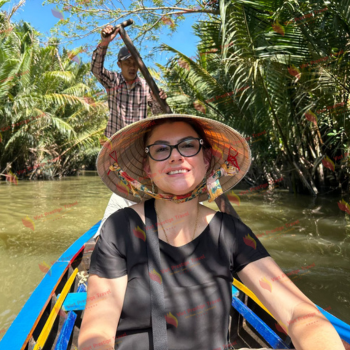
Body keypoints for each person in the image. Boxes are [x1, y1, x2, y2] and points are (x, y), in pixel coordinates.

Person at [78, 114, 346, 350]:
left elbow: (300, 313)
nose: (175, 155)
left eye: (188, 146)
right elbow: (97, 334)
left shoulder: (230, 233)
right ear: (147, 168)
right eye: (161, 149)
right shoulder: (120, 228)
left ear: (206, 160)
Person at [91, 25, 167, 239]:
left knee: (141, 185)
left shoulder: (145, 85)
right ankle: (111, 230)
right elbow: (96, 69)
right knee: (121, 188)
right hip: (116, 145)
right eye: (127, 63)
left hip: (138, 146)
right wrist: (105, 42)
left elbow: (157, 114)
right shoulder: (113, 81)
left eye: (135, 63)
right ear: (120, 65)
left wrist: (160, 99)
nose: (131, 67)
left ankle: (146, 225)